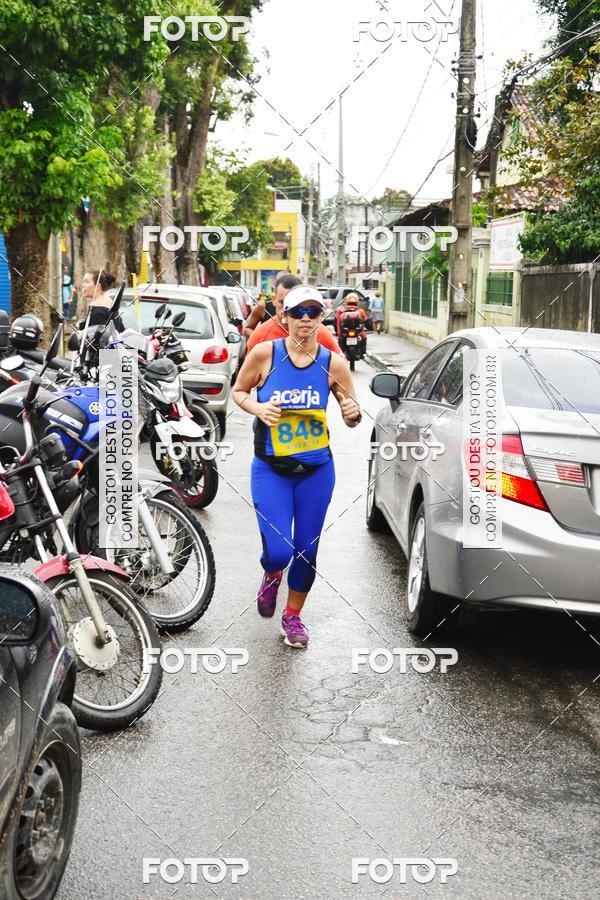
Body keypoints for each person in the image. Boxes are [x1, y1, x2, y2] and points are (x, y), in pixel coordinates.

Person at [232, 285, 362, 649]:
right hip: (271, 469)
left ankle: (292, 617)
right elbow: (239, 391)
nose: (306, 319)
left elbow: (350, 407)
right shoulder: (264, 354)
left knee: (307, 549)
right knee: (279, 551)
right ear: (284, 317)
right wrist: (257, 408)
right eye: (298, 312)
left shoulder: (332, 361)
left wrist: (352, 412)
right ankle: (272, 574)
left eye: (313, 312)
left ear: (322, 318)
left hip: (317, 471)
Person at [247, 273, 342, 355]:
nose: (286, 309)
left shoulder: (323, 334)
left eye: (294, 306)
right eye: (282, 303)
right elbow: (250, 375)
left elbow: (340, 370)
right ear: (273, 300)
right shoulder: (259, 337)